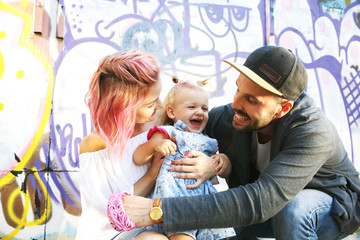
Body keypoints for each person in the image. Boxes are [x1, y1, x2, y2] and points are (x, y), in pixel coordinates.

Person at [115, 45, 360, 239]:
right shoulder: (236, 115)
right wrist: (121, 125)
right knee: (220, 225)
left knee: (292, 211)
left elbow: (261, 201)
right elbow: (179, 121)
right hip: (264, 206)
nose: (235, 105)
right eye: (237, 90)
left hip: (330, 208)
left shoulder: (312, 131)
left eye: (251, 99)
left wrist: (158, 211)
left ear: (283, 108)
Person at [108, 79, 235, 239]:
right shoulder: (168, 132)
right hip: (175, 198)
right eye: (191, 107)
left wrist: (223, 161)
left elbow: (224, 172)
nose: (200, 112)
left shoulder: (208, 141)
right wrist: (155, 145)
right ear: (171, 112)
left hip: (203, 203)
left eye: (204, 108)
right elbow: (138, 157)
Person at [75, 50, 168, 240]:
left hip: (154, 226)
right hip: (114, 234)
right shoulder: (96, 145)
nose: (160, 105)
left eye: (159, 96)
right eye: (151, 103)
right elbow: (109, 211)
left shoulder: (154, 126)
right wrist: (152, 174)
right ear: (125, 108)